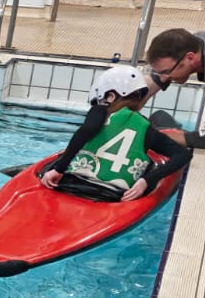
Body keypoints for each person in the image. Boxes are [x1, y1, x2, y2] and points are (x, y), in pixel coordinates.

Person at [40, 66, 191, 201]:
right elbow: (183, 155)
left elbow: (85, 131)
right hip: (114, 196)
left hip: (73, 184)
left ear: (111, 96)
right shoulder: (146, 129)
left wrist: (59, 169)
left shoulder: (100, 111)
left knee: (53, 165)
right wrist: (147, 180)